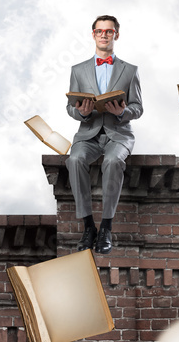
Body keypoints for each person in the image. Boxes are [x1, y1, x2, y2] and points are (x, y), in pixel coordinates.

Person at [65, 15, 143, 254]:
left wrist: (122, 112)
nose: (104, 35)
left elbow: (138, 108)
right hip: (88, 134)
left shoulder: (130, 70)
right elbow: (70, 108)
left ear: (115, 35)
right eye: (99, 31)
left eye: (109, 32)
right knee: (74, 159)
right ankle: (88, 226)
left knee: (112, 161)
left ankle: (106, 227)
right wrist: (83, 113)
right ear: (93, 35)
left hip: (118, 134)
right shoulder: (78, 70)